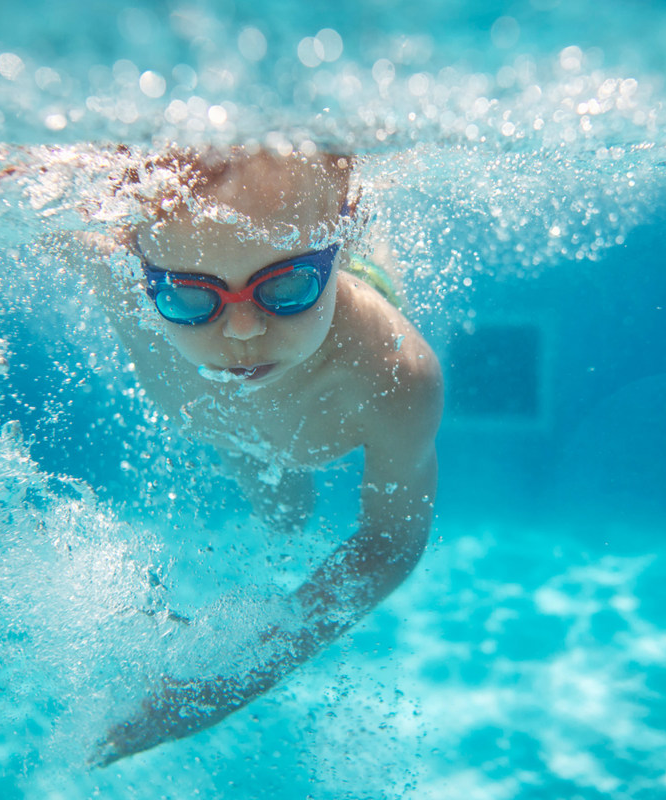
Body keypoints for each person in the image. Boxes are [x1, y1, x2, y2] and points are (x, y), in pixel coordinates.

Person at [73, 147, 442, 765]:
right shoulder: (118, 281)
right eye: (190, 299)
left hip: (351, 313)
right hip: (231, 436)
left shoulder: (395, 377)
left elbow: (390, 543)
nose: (242, 334)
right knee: (285, 516)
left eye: (289, 284)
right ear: (139, 265)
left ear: (340, 234)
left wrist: (232, 679)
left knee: (283, 505)